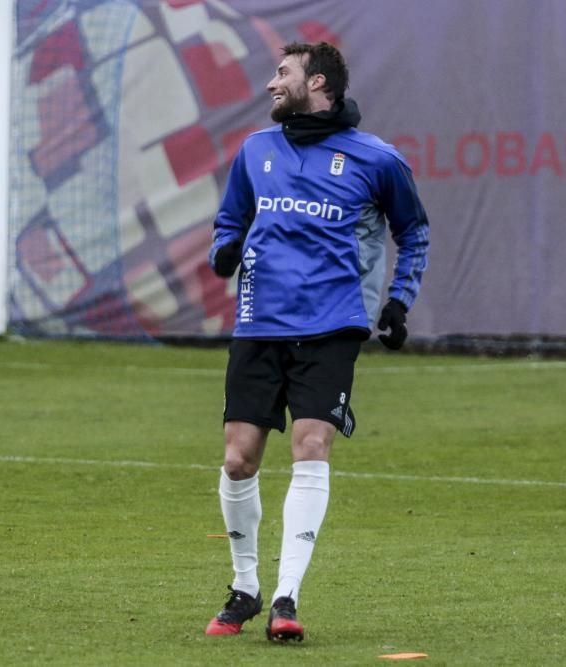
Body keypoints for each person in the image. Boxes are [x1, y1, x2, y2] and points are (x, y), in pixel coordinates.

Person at [204, 41, 430, 642]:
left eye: (283, 74)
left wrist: (399, 299)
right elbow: (230, 221)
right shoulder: (256, 151)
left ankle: (286, 597)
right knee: (237, 458)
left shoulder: (375, 159)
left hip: (332, 327)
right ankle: (246, 586)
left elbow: (414, 231)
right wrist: (224, 251)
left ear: (319, 82)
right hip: (258, 323)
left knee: (311, 446)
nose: (272, 83)